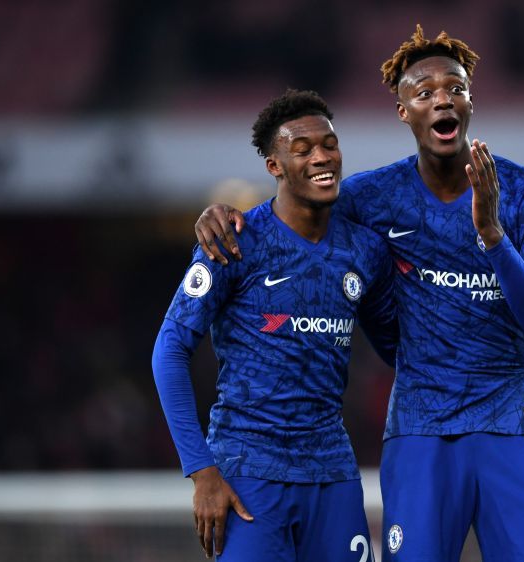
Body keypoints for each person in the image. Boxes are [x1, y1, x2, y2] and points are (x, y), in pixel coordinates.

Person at [193, 26, 524, 562]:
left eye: (455, 87)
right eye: (424, 92)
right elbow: (294, 205)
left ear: (470, 101)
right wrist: (228, 215)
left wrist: (492, 237)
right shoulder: (369, 198)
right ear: (404, 111)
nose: (442, 98)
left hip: (512, 418)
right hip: (422, 426)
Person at [152, 89, 400, 561]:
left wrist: (509, 352)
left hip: (332, 472)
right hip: (248, 472)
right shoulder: (234, 241)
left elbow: (400, 346)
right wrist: (202, 470)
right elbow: (168, 350)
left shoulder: (365, 250)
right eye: (302, 150)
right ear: (275, 166)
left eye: (329, 144)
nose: (321, 157)